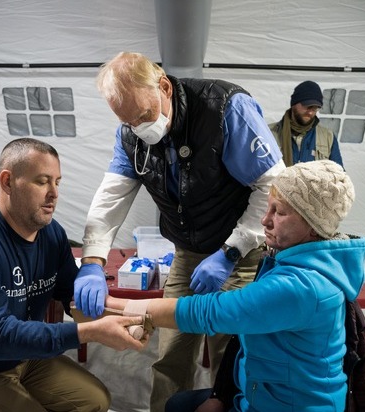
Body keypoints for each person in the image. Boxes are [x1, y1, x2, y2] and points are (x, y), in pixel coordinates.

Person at [73, 51, 285, 411]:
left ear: (165, 87)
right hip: (188, 253)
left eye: (144, 115)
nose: (139, 127)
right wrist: (93, 261)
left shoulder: (225, 109)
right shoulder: (131, 135)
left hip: (240, 254)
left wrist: (231, 251)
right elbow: (111, 196)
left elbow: (271, 186)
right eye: (128, 121)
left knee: (230, 353)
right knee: (171, 352)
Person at [107, 159, 365, 411]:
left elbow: (206, 312)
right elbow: (242, 338)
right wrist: (221, 395)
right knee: (178, 403)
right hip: (260, 393)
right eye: (268, 208)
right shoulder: (296, 263)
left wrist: (114, 304)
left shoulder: (300, 287)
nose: (265, 220)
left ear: (314, 227)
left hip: (284, 404)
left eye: (279, 212)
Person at [0, 137, 147, 412]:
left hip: (24, 356)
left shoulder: (52, 234)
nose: (54, 194)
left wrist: (124, 313)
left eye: (57, 182)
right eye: (42, 182)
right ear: (7, 182)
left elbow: (71, 295)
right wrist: (88, 332)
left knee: (97, 400)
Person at [269, 80, 343, 167]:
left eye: (315, 108)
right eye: (307, 106)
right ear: (294, 104)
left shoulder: (328, 137)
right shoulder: (269, 133)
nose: (310, 112)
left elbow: (339, 172)